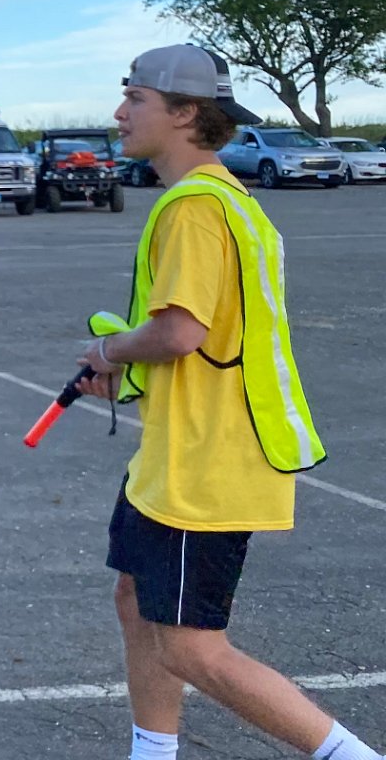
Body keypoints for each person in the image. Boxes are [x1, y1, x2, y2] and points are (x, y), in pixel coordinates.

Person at [72, 45, 375, 760]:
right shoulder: (226, 199)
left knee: (192, 648)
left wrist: (109, 352)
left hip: (206, 462)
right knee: (136, 601)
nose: (119, 113)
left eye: (135, 99)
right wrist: (127, 364)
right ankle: (153, 753)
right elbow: (209, 339)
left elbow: (181, 332)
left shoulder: (196, 208)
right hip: (177, 454)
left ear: (185, 113)